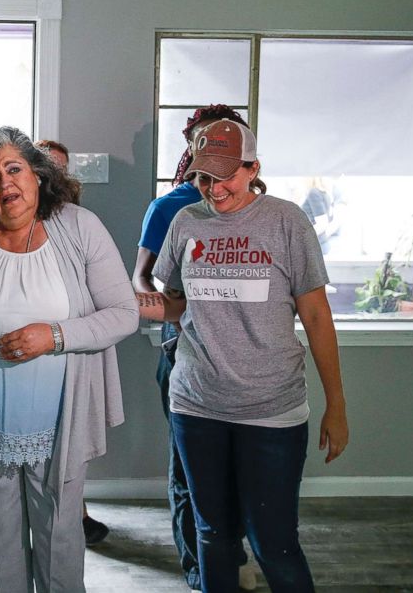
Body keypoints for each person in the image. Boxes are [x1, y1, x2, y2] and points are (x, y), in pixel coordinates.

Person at [137, 119, 349, 593]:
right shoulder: (186, 223)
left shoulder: (285, 221)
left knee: (274, 543)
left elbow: (316, 317)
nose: (214, 188)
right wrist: (134, 304)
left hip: (272, 411)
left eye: (226, 175)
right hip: (197, 405)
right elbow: (177, 304)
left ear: (254, 168)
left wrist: (336, 405)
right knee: (213, 536)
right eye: (203, 176)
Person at [0, 127, 138, 591]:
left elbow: (125, 315)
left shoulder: (78, 227)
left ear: (39, 174)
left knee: (59, 539)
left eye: (14, 169)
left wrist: (56, 336)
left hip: (59, 423)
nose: (5, 185)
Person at [132, 106, 255, 592]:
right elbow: (140, 278)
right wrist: (179, 310)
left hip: (247, 363)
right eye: (205, 140)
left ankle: (234, 553)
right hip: (184, 356)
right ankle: (200, 568)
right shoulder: (171, 209)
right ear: (191, 144)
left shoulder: (258, 211)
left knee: (242, 469)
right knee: (190, 471)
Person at [35, 137, 112, 547]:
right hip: (24, 360)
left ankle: (73, 515)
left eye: (60, 168)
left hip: (74, 347)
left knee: (70, 443)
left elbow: (114, 305)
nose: (52, 174)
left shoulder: (83, 225)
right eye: (45, 165)